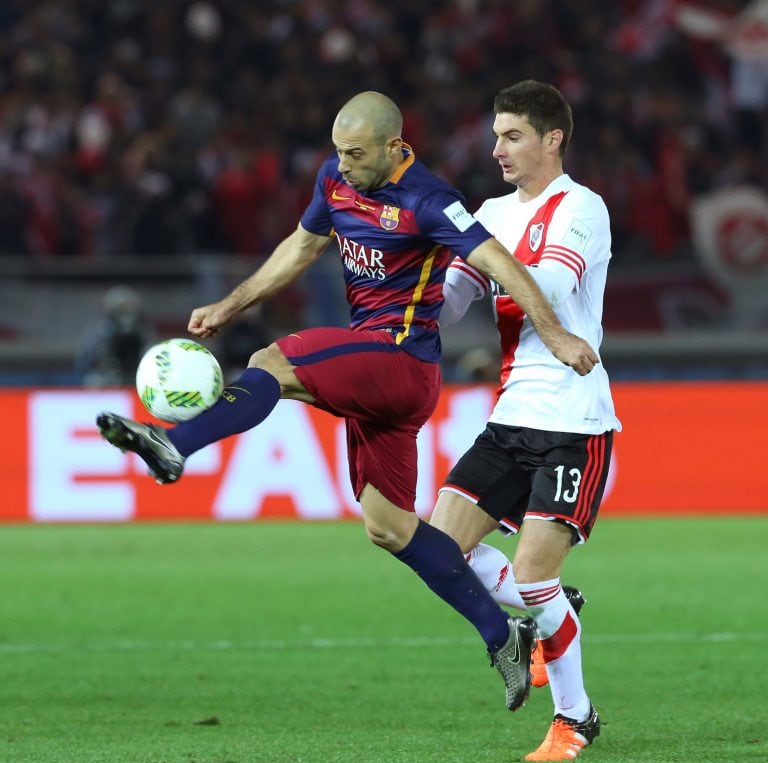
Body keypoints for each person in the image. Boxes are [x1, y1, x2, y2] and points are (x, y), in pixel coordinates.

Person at [95, 90, 598, 711]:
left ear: (394, 147)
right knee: (389, 527)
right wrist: (231, 304)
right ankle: (503, 634)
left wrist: (552, 331)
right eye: (338, 151)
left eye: (356, 154)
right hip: (370, 369)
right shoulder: (336, 177)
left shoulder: (430, 199)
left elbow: (501, 262)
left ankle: (174, 443)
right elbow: (302, 247)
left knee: (272, 364)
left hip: (402, 362)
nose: (344, 163)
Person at [432, 80, 622, 760]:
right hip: (510, 416)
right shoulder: (487, 211)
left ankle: (576, 717)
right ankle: (556, 603)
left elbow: (554, 284)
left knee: (533, 581)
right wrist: (410, 281)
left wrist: (478, 249)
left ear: (551, 138)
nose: (497, 149)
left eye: (512, 135)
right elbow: (450, 304)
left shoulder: (583, 208)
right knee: (437, 547)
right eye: (495, 135)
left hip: (574, 420)